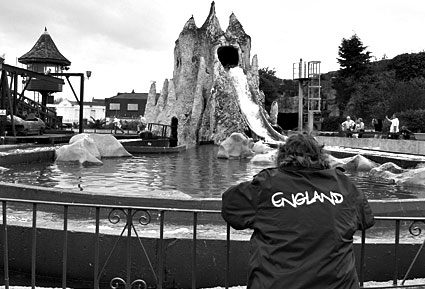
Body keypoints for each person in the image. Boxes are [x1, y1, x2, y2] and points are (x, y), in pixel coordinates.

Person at [221, 133, 375, 289]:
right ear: (321, 157)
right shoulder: (344, 185)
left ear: (282, 156)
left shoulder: (267, 185)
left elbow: (230, 206)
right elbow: (366, 219)